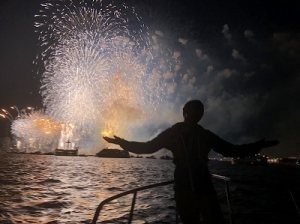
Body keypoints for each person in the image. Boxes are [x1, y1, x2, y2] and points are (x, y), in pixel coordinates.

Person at [103, 100, 279, 224]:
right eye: (195, 110)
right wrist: (122, 143)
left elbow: (232, 150)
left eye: (199, 111)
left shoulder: (204, 135)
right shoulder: (176, 134)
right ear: (186, 112)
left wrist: (258, 146)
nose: (197, 113)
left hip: (203, 188)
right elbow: (147, 148)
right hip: (186, 188)